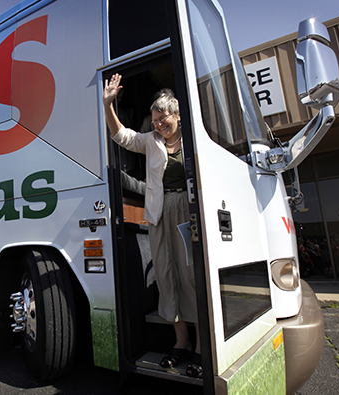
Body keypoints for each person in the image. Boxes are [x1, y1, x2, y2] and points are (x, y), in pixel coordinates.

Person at [103, 73, 201, 378]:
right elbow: (122, 136)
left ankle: (201, 348)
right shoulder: (151, 141)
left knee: (190, 276)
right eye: (155, 119)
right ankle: (180, 343)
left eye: (163, 118)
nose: (158, 124)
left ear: (178, 115)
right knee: (165, 273)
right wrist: (109, 105)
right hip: (159, 212)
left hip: (188, 209)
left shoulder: (194, 138)